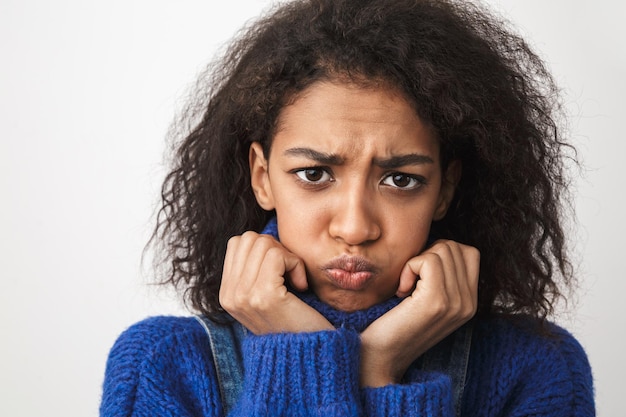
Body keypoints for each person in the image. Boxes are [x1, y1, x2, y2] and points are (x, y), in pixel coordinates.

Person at [100, 0, 595, 415]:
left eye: (401, 179)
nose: (355, 227)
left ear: (444, 189)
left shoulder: (538, 369)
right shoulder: (161, 365)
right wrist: (304, 358)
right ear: (261, 177)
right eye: (314, 174)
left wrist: (379, 370)